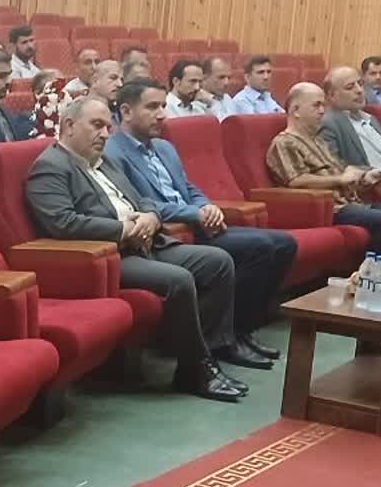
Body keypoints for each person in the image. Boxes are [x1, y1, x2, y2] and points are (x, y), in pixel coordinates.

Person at [26, 96, 246, 402]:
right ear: (69, 125)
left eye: (108, 127)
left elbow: (142, 199)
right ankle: (196, 370)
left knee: (218, 262)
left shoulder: (105, 161)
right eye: (97, 125)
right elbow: (62, 223)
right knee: (179, 279)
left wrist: (151, 217)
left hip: (148, 241)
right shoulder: (50, 167)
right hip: (109, 256)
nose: (105, 134)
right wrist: (124, 229)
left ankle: (212, 349)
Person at [108, 79, 293, 365]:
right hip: (174, 231)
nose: (161, 115)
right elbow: (141, 203)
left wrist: (206, 205)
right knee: (261, 248)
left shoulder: (164, 147)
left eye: (163, 106)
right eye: (152, 107)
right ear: (126, 111)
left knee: (284, 244)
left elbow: (188, 187)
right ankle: (226, 339)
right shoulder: (113, 153)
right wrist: (194, 214)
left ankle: (239, 329)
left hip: (198, 222)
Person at [266, 82, 381, 255]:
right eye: (316, 105)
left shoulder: (318, 140)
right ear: (296, 110)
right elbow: (296, 180)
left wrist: (365, 178)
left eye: (323, 105)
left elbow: (343, 173)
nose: (322, 111)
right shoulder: (284, 142)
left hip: (351, 201)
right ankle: (376, 270)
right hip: (327, 209)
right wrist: (340, 179)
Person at [197, 55, 233, 120]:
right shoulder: (197, 101)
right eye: (221, 77)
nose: (226, 83)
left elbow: (233, 124)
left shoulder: (227, 98)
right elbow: (220, 124)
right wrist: (212, 105)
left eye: (229, 78)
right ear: (204, 78)